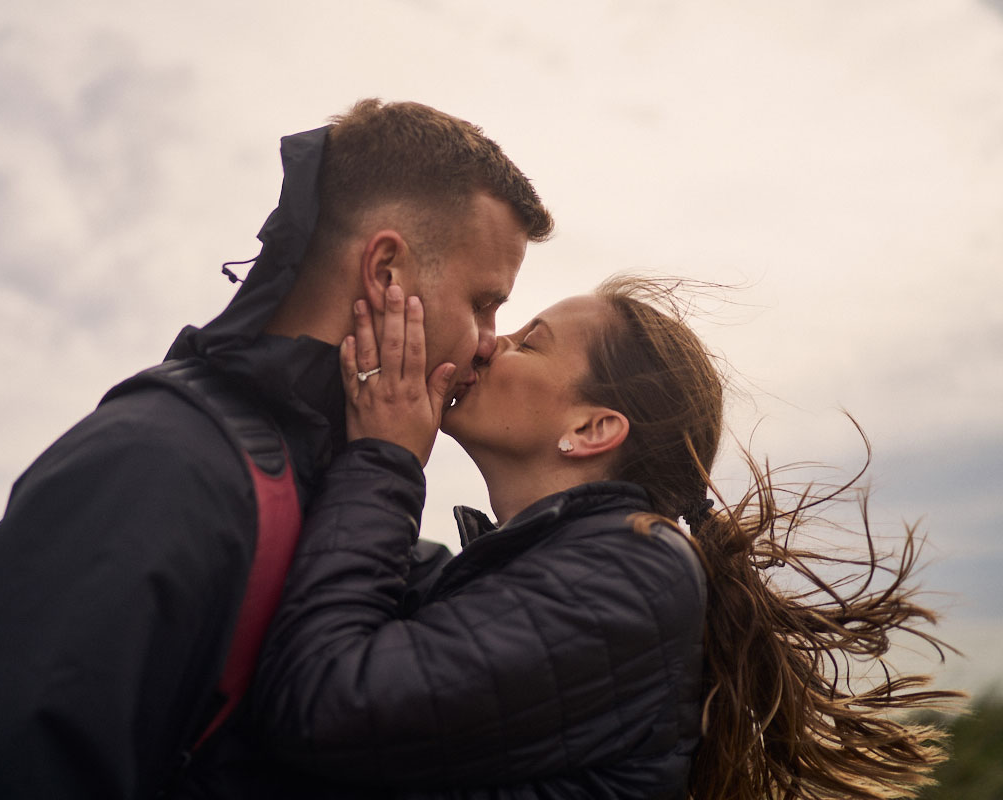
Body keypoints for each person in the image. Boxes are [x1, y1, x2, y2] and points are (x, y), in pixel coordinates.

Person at [0, 99, 554, 798]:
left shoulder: (340, 483)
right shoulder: (150, 468)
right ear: (386, 272)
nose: (492, 339)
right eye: (484, 303)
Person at [246, 276, 959, 799]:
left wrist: (387, 458)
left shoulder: (636, 572)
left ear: (592, 430)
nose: (492, 344)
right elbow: (364, 587)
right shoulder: (543, 569)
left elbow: (327, 700)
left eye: (531, 343)